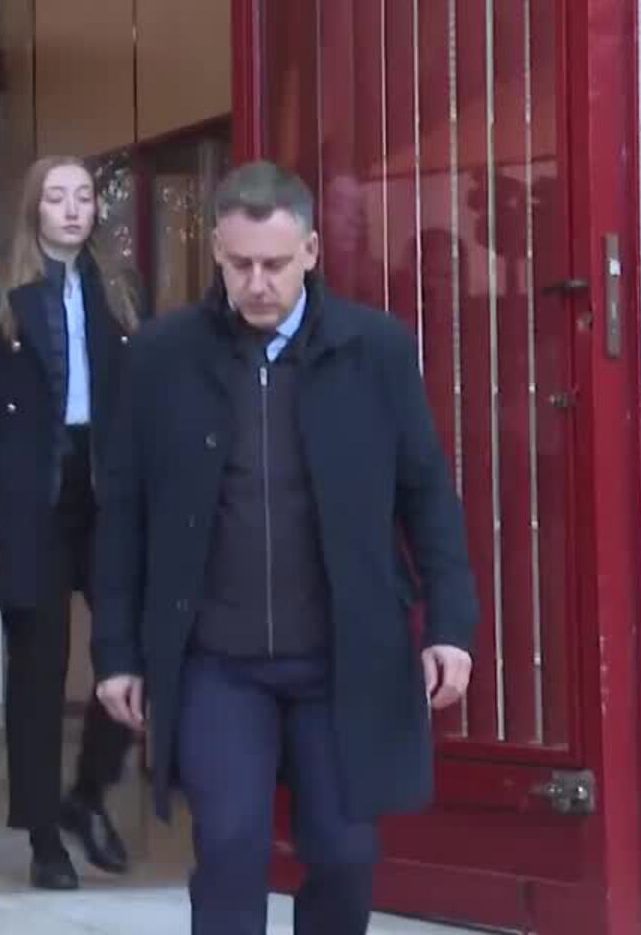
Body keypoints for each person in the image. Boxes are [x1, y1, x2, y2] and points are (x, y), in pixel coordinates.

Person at [88, 161, 479, 935]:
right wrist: (117, 652)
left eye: (274, 264)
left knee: (343, 853)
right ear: (217, 254)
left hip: (342, 656)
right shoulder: (164, 356)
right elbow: (124, 514)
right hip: (216, 658)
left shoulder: (374, 349)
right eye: (239, 265)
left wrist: (450, 627)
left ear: (310, 251)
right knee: (229, 845)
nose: (257, 283)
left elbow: (427, 493)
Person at [0, 156, 139, 891]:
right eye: (57, 197)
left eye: (84, 196)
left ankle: (88, 792)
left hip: (105, 489)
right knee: (39, 669)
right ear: (34, 209)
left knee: (132, 645)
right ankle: (43, 834)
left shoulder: (119, 289)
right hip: (27, 498)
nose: (73, 209)